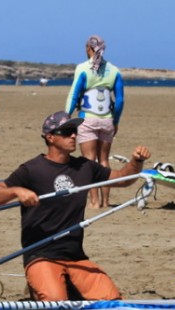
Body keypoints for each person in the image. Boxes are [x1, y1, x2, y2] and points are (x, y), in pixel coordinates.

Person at [0, 111, 151, 301]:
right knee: (55, 304)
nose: (74, 135)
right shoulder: (32, 169)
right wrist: (15, 192)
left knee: (111, 301)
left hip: (75, 256)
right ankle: (40, 285)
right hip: (40, 255)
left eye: (74, 131)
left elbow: (122, 179)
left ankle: (67, 283)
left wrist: (137, 161)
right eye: (67, 132)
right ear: (50, 137)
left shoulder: (85, 166)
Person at [65, 35, 124, 209]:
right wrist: (116, 120)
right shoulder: (114, 70)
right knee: (104, 161)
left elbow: (74, 94)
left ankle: (94, 201)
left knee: (89, 161)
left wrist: (66, 117)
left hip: (87, 119)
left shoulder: (83, 68)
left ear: (89, 48)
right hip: (107, 120)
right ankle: (106, 201)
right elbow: (119, 100)